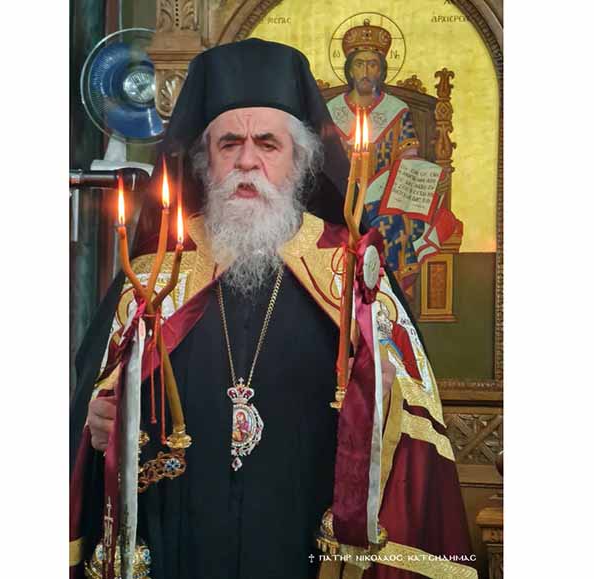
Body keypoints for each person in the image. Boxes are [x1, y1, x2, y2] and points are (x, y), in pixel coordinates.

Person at [70, 38, 476, 579]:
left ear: (300, 160)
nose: (247, 161)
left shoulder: (351, 276)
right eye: (229, 144)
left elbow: (408, 440)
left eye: (267, 144)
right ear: (205, 162)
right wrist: (99, 426)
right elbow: (93, 426)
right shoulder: (153, 276)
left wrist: (381, 403)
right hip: (182, 545)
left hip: (304, 543)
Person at [326, 19, 426, 298]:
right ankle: (339, 296)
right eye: (360, 64)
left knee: (390, 223)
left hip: (386, 195)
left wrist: (384, 189)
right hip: (341, 193)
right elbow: (322, 159)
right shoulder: (331, 110)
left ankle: (387, 296)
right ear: (350, 70)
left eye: (372, 65)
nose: (366, 71)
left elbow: (408, 159)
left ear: (381, 70)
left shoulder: (397, 110)